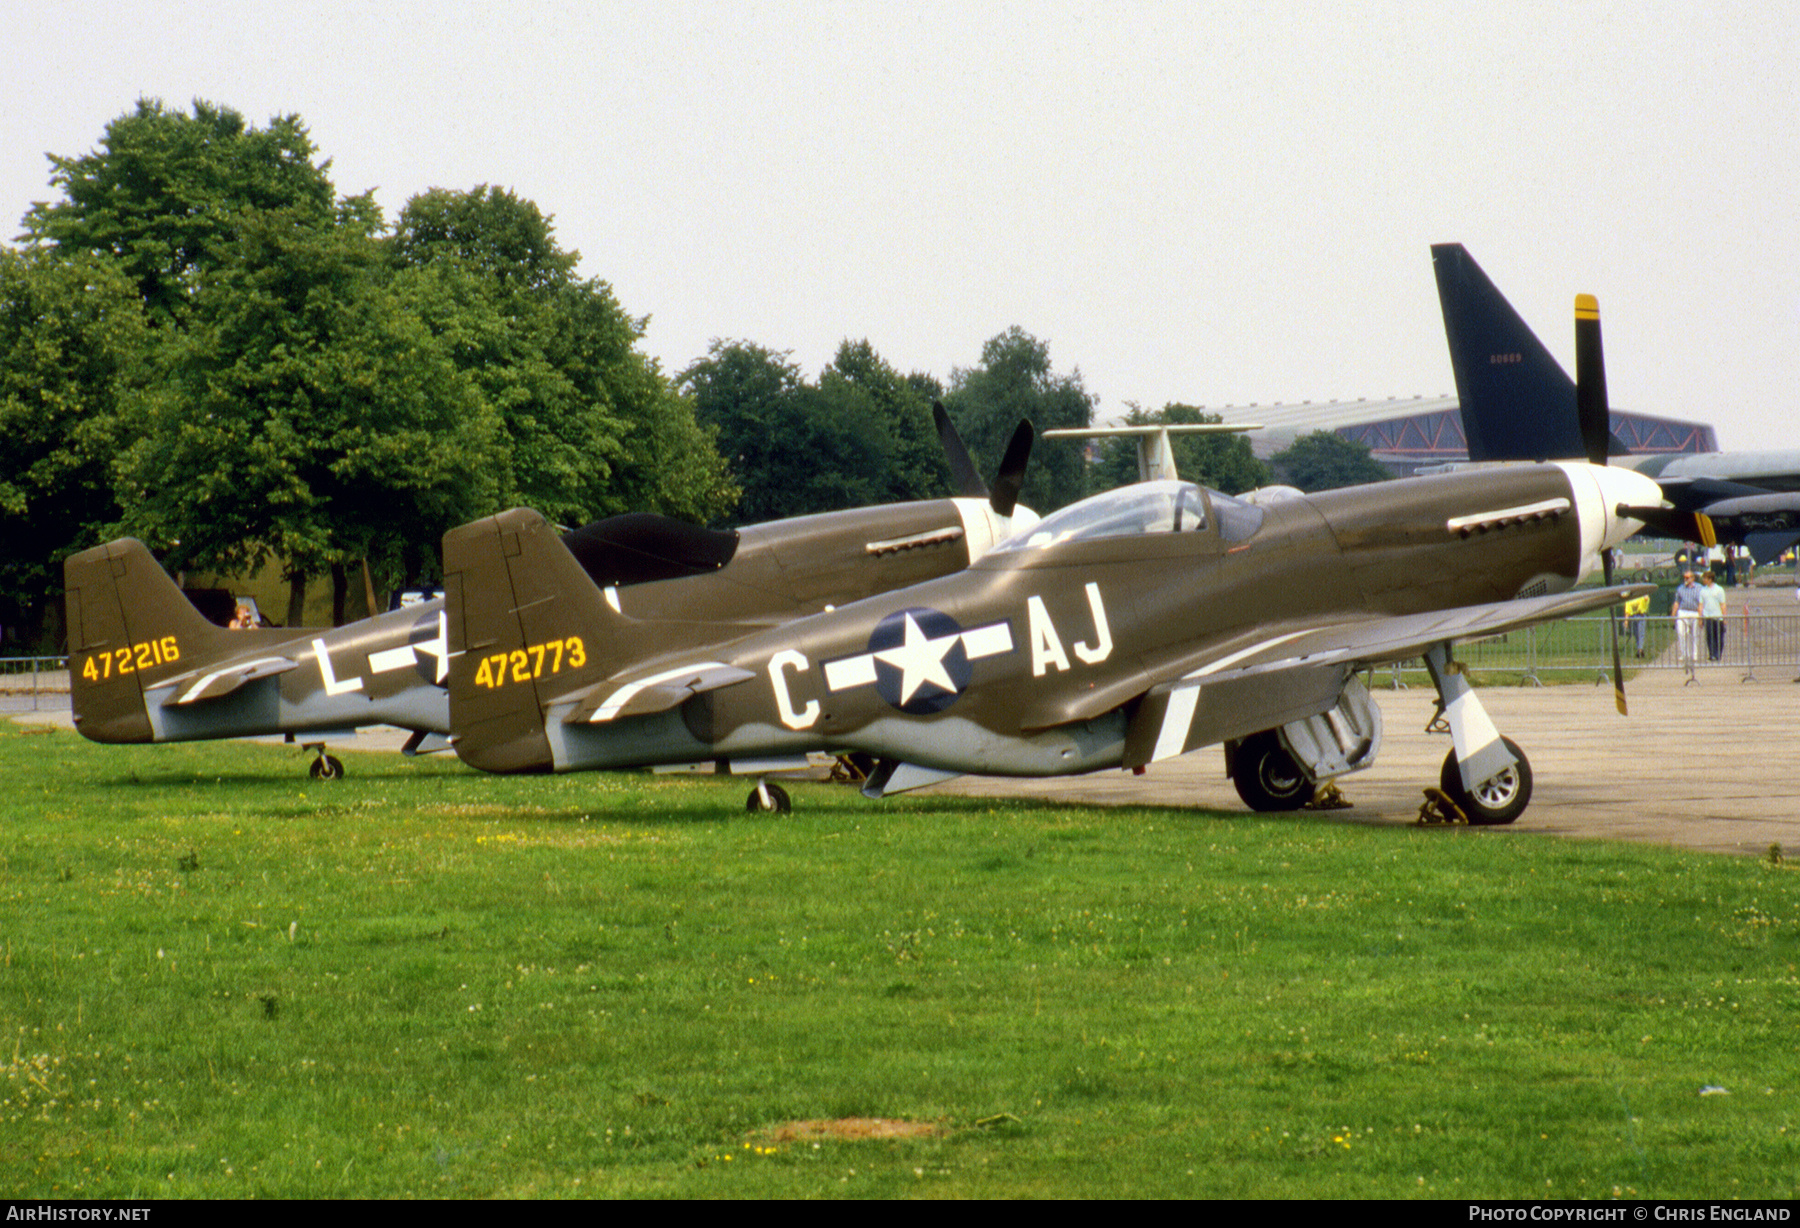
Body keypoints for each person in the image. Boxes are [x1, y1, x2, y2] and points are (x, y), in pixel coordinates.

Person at [1672, 570, 1703, 682]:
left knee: (1694, 634)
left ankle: (1694, 654)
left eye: (1688, 577)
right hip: (1683, 612)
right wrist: (1673, 615)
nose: (1686, 579)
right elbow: (1677, 602)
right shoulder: (1680, 589)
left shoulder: (1699, 588)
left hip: (1694, 612)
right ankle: (1684, 654)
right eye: (1684, 577)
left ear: (1693, 578)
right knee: (1681, 633)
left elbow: (1701, 603)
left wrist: (1700, 617)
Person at [1698, 571, 1727, 661]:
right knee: (1709, 636)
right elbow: (1701, 605)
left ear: (1710, 579)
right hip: (1708, 616)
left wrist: (1724, 617)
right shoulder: (1703, 590)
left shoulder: (1719, 589)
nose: (1703, 580)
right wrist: (1700, 618)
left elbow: (1722, 604)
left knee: (1718, 636)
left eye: (1705, 578)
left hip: (1717, 616)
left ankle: (1718, 654)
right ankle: (1712, 654)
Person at [1623, 592, 1650, 657]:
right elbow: (1627, 611)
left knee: (1641, 633)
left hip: (1641, 616)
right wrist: (1626, 620)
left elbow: (1646, 599)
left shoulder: (1641, 597)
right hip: (1633, 617)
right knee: (1636, 634)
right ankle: (1640, 649)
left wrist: (1644, 593)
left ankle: (1640, 650)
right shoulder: (1629, 600)